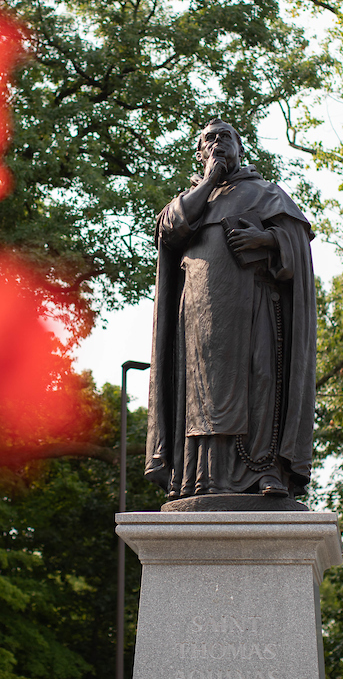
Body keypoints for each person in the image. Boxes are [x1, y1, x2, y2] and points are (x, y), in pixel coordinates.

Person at [145, 119, 316, 501]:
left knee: (261, 381)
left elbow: (297, 246)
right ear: (200, 153)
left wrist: (266, 238)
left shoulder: (266, 193)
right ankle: (200, 478)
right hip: (199, 318)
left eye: (226, 137)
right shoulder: (191, 199)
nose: (219, 142)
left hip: (255, 306)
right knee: (200, 393)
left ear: (240, 148)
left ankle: (265, 471)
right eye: (210, 139)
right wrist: (208, 181)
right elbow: (169, 231)